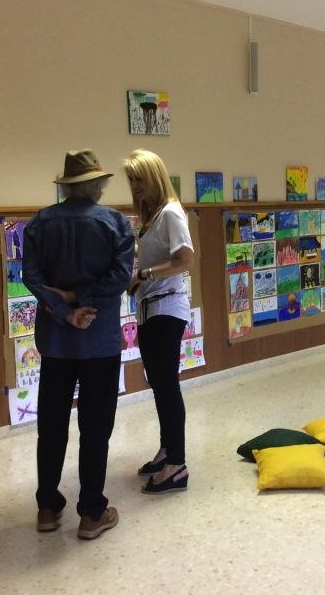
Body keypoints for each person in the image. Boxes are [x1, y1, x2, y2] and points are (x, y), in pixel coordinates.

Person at [21, 149, 134, 538]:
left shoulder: (39, 223)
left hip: (55, 341)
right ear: (98, 186)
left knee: (51, 426)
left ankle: (48, 507)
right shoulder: (116, 224)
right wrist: (82, 300)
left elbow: (30, 276)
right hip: (99, 339)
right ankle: (91, 512)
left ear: (67, 187)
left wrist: (62, 307)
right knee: (95, 426)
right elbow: (120, 279)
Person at [124, 149, 194, 494]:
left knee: (167, 384)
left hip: (167, 307)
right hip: (150, 307)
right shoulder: (151, 218)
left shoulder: (170, 213)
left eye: (139, 179)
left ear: (153, 177)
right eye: (131, 180)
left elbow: (184, 259)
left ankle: (176, 464)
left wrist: (144, 274)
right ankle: (167, 449)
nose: (134, 186)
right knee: (159, 382)